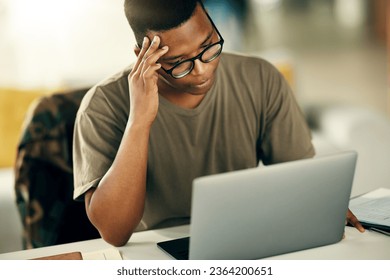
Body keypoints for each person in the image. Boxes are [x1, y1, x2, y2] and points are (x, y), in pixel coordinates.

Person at [73, 0, 364, 247]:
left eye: (209, 45)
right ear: (142, 58)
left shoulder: (261, 78)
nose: (202, 70)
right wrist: (139, 120)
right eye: (178, 63)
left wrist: (319, 204)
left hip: (245, 239)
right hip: (151, 249)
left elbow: (301, 182)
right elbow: (114, 232)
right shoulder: (100, 106)